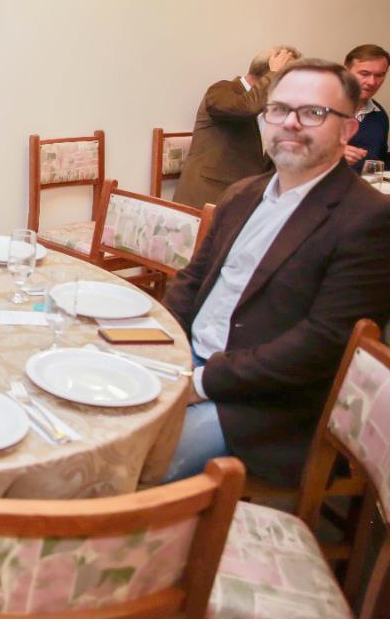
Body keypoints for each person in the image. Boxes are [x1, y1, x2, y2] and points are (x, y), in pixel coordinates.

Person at [162, 58, 390, 486]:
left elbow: (321, 343)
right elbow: (192, 279)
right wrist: (161, 349)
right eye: (279, 109)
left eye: (313, 112)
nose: (290, 122)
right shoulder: (242, 192)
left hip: (263, 403)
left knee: (142, 459)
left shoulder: (369, 218)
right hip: (188, 358)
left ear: (347, 129)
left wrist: (202, 382)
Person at [173, 45, 301, 208]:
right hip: (205, 204)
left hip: (246, 204)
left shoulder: (276, 109)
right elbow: (244, 108)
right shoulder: (222, 90)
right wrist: (274, 74)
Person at [342, 43, 389, 172]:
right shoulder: (321, 106)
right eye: (364, 74)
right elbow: (295, 152)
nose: (372, 82)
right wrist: (331, 155)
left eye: (379, 75)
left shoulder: (379, 114)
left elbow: (381, 161)